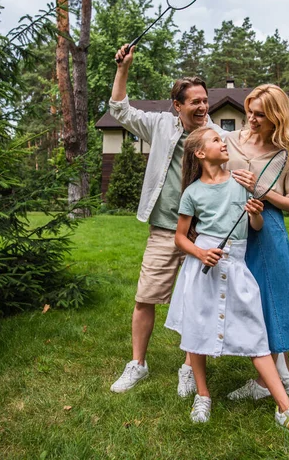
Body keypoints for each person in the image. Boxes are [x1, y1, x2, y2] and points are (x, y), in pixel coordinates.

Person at [165, 127, 289, 442]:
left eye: (223, 140)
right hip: (201, 267)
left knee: (255, 334)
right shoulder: (191, 192)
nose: (224, 143)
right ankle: (202, 395)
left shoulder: (240, 180)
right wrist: (199, 252)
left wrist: (257, 214)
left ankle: (285, 409)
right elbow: (180, 236)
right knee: (197, 332)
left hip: (237, 266)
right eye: (216, 140)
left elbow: (255, 226)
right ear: (199, 153)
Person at [108, 44, 223, 396]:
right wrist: (123, 68)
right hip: (163, 229)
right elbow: (118, 109)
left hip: (202, 232)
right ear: (177, 105)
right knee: (146, 297)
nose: (203, 107)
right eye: (195, 102)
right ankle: (137, 364)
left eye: (205, 100)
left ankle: (189, 367)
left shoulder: (215, 134)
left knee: (195, 301)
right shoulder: (159, 125)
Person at [223, 84, 289, 402]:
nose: (252, 119)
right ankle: (276, 373)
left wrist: (260, 188)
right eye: (250, 111)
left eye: (261, 115)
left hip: (268, 232)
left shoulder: (284, 156)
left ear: (276, 118)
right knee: (240, 303)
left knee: (271, 301)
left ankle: (269, 380)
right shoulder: (229, 141)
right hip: (229, 227)